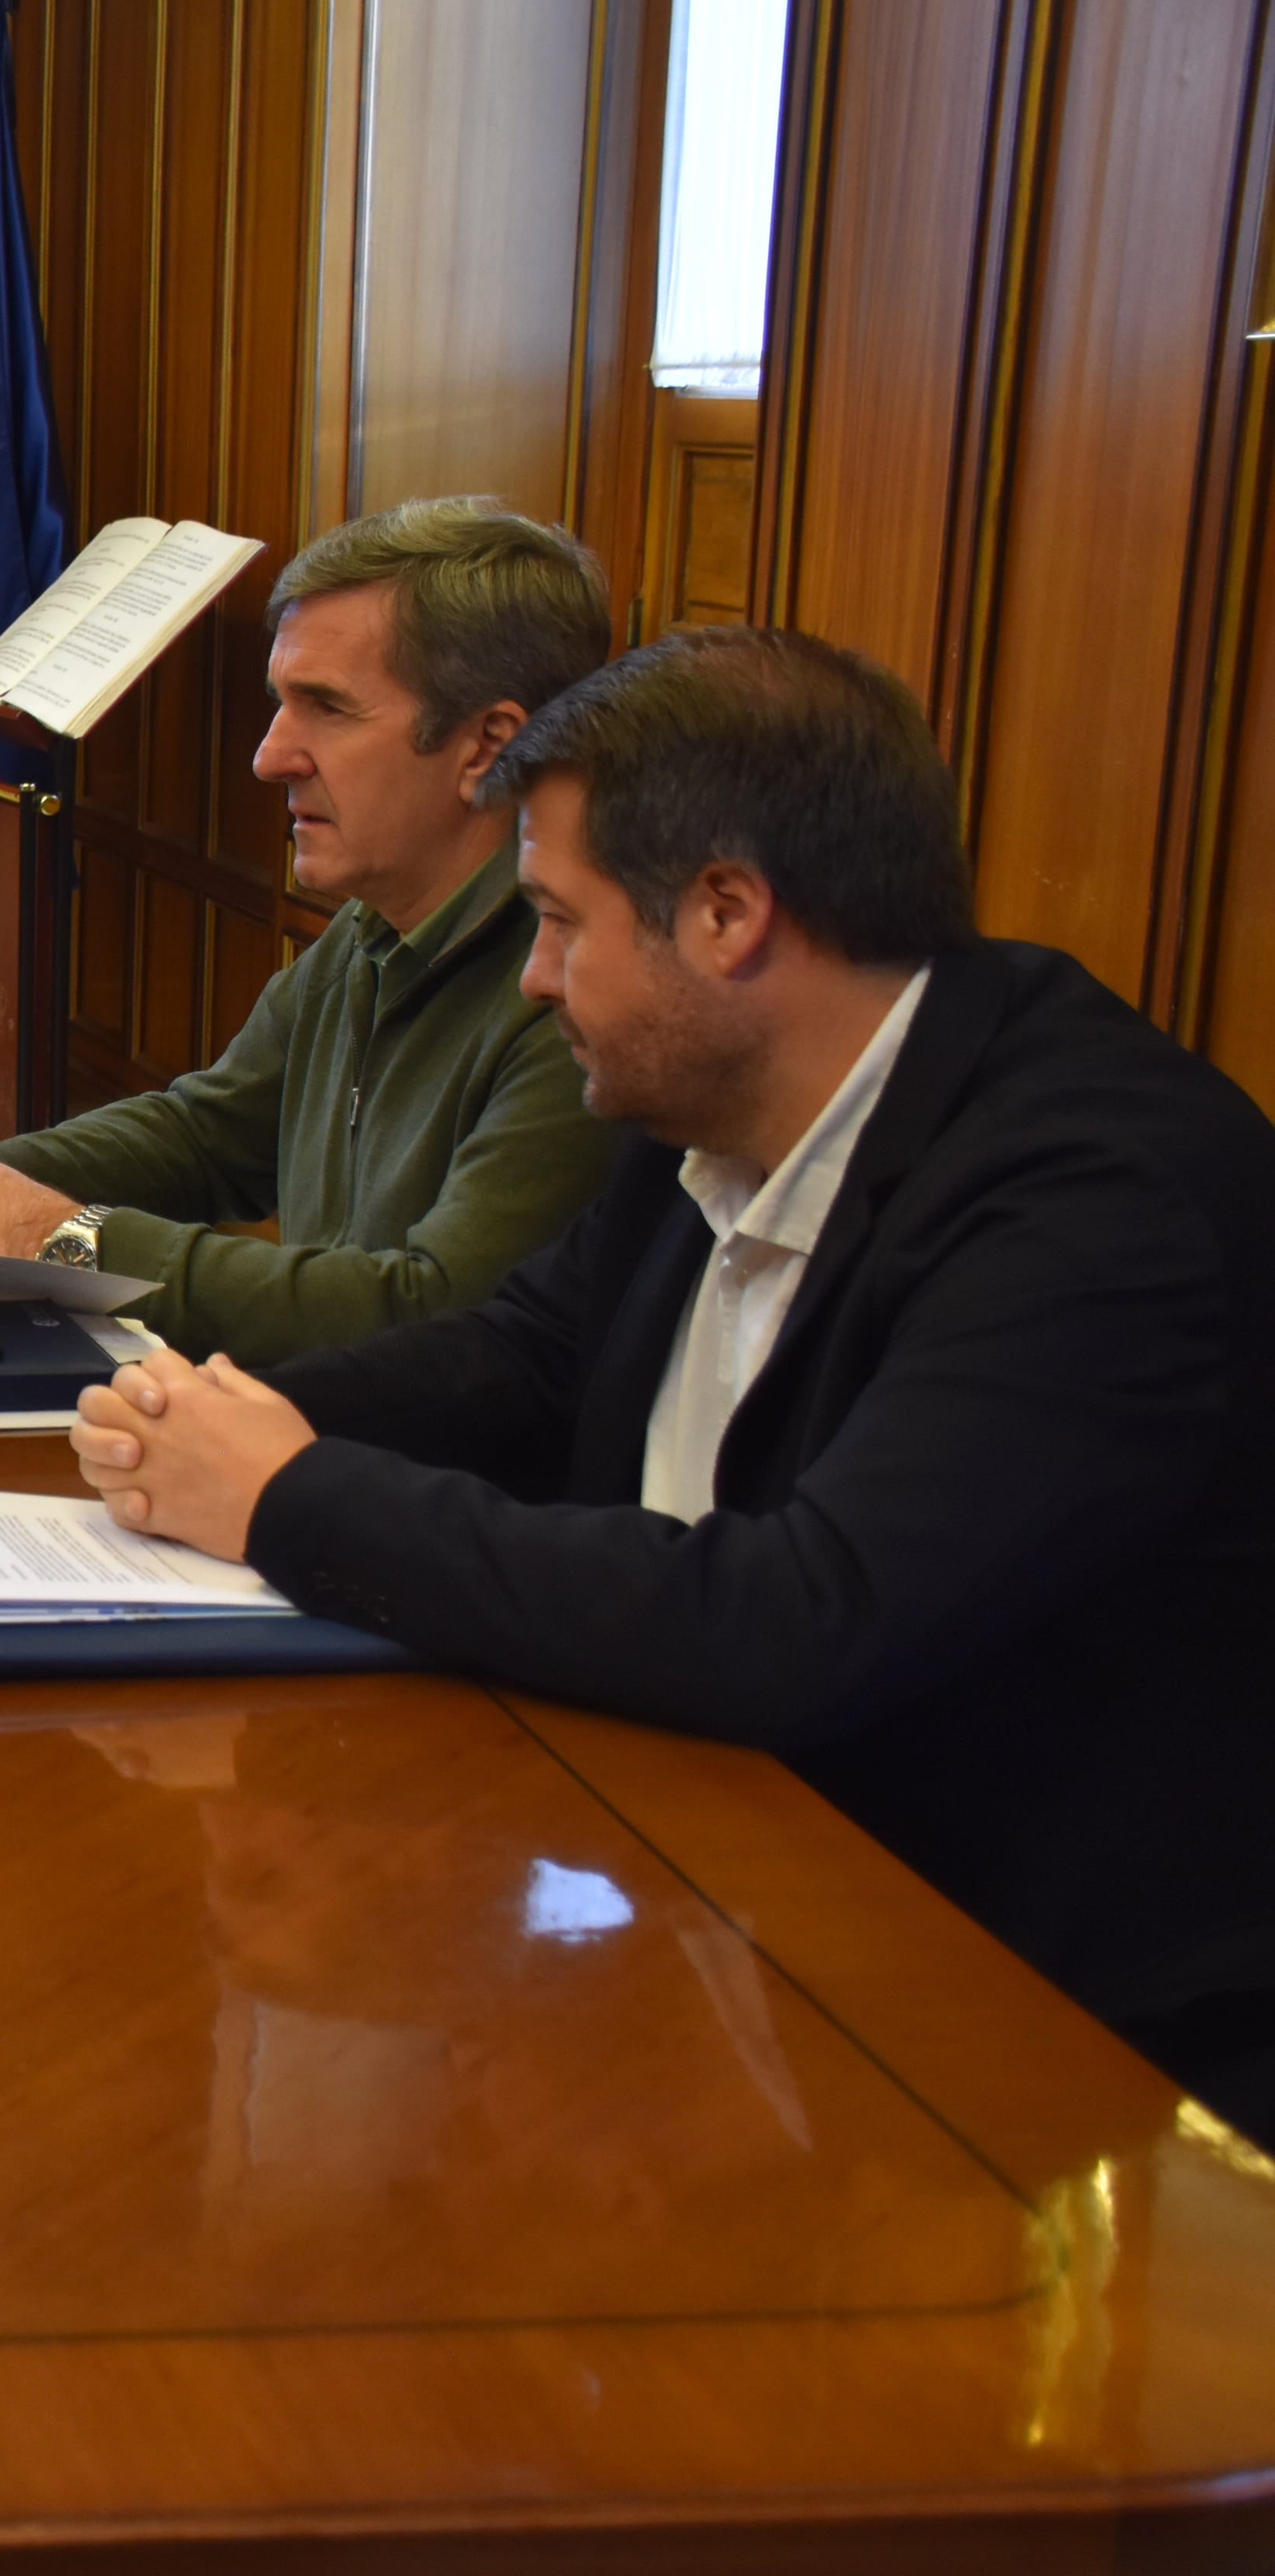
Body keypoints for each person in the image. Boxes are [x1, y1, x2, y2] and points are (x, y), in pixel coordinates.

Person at [67, 624, 1275, 2138]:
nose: (533, 978)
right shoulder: (703, 1093)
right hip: (703, 1882)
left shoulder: (1098, 1202)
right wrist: (209, 1417)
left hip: (1035, 2044)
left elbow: (795, 1618)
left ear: (724, 914)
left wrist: (288, 1494)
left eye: (561, 923)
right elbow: (522, 1353)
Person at [0, 499, 623, 1364]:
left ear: (487, 746)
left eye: (325, 709)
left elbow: (429, 1317)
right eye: (279, 704)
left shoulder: (578, 995)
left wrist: (54, 1234)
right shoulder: (372, 928)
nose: (267, 755)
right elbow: (208, 1136)